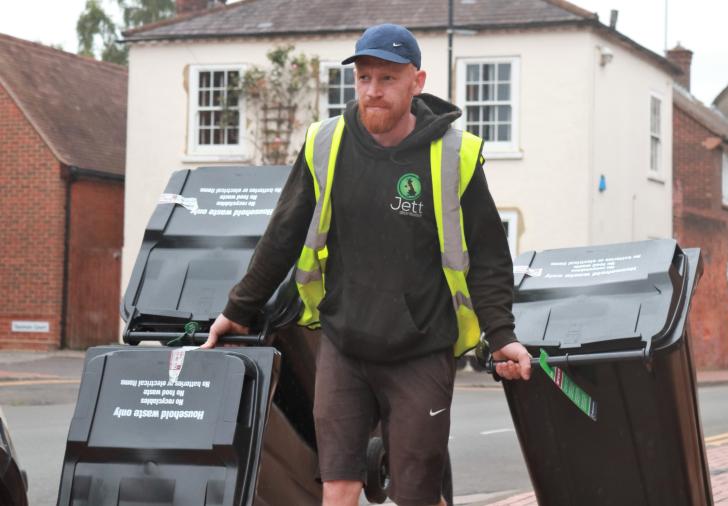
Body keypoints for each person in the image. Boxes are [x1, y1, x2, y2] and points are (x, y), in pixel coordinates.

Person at [202, 23, 532, 506]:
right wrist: (239, 308)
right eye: (364, 78)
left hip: (422, 351)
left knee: (415, 494)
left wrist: (502, 335)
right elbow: (283, 234)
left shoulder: (454, 156)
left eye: (387, 79)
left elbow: (488, 256)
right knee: (338, 485)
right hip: (343, 345)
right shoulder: (326, 144)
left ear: (417, 81)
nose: (372, 92)